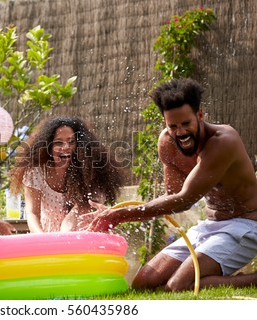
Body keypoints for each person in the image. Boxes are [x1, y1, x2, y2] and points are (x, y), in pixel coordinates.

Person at [87, 78, 257, 291]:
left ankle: (252, 280)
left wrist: (121, 215)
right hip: (210, 225)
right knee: (143, 283)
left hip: (245, 226)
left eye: (186, 124)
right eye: (173, 126)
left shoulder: (223, 141)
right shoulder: (168, 143)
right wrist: (116, 210)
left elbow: (184, 200)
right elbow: (172, 195)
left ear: (200, 115)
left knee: (178, 285)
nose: (181, 132)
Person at [9, 116, 124, 232]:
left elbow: (72, 220)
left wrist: (64, 241)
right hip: (47, 237)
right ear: (49, 147)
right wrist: (42, 239)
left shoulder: (92, 171)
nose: (66, 147)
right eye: (59, 143)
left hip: (82, 238)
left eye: (71, 142)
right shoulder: (36, 172)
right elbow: (32, 213)